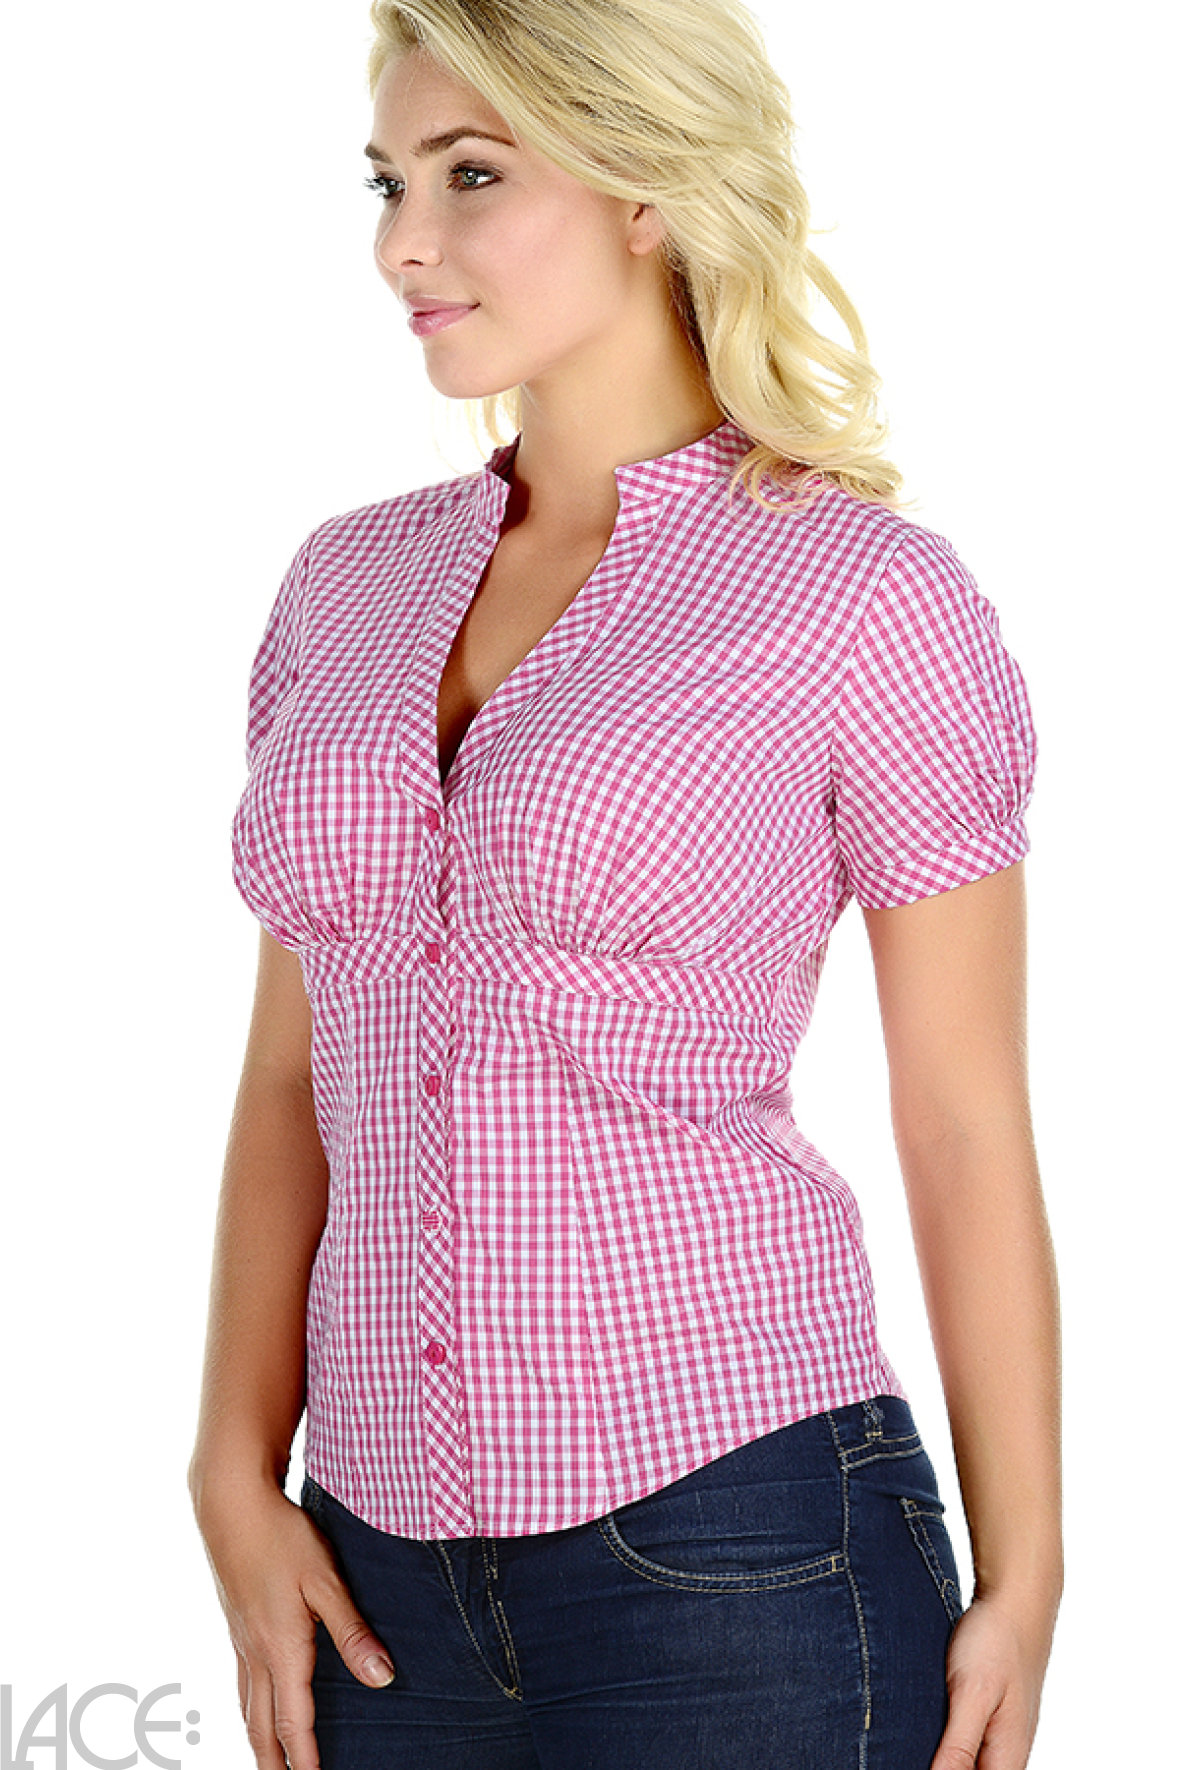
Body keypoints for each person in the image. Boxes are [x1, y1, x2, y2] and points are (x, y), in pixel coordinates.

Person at [187, 2, 1063, 1766]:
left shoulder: (862, 596)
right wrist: (230, 1463)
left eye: (471, 176)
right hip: (370, 1570)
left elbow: (963, 1114)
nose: (403, 244)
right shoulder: (342, 588)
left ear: (649, 191)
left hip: (743, 1534)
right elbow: (294, 1073)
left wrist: (1029, 1565)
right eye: (387, 183)